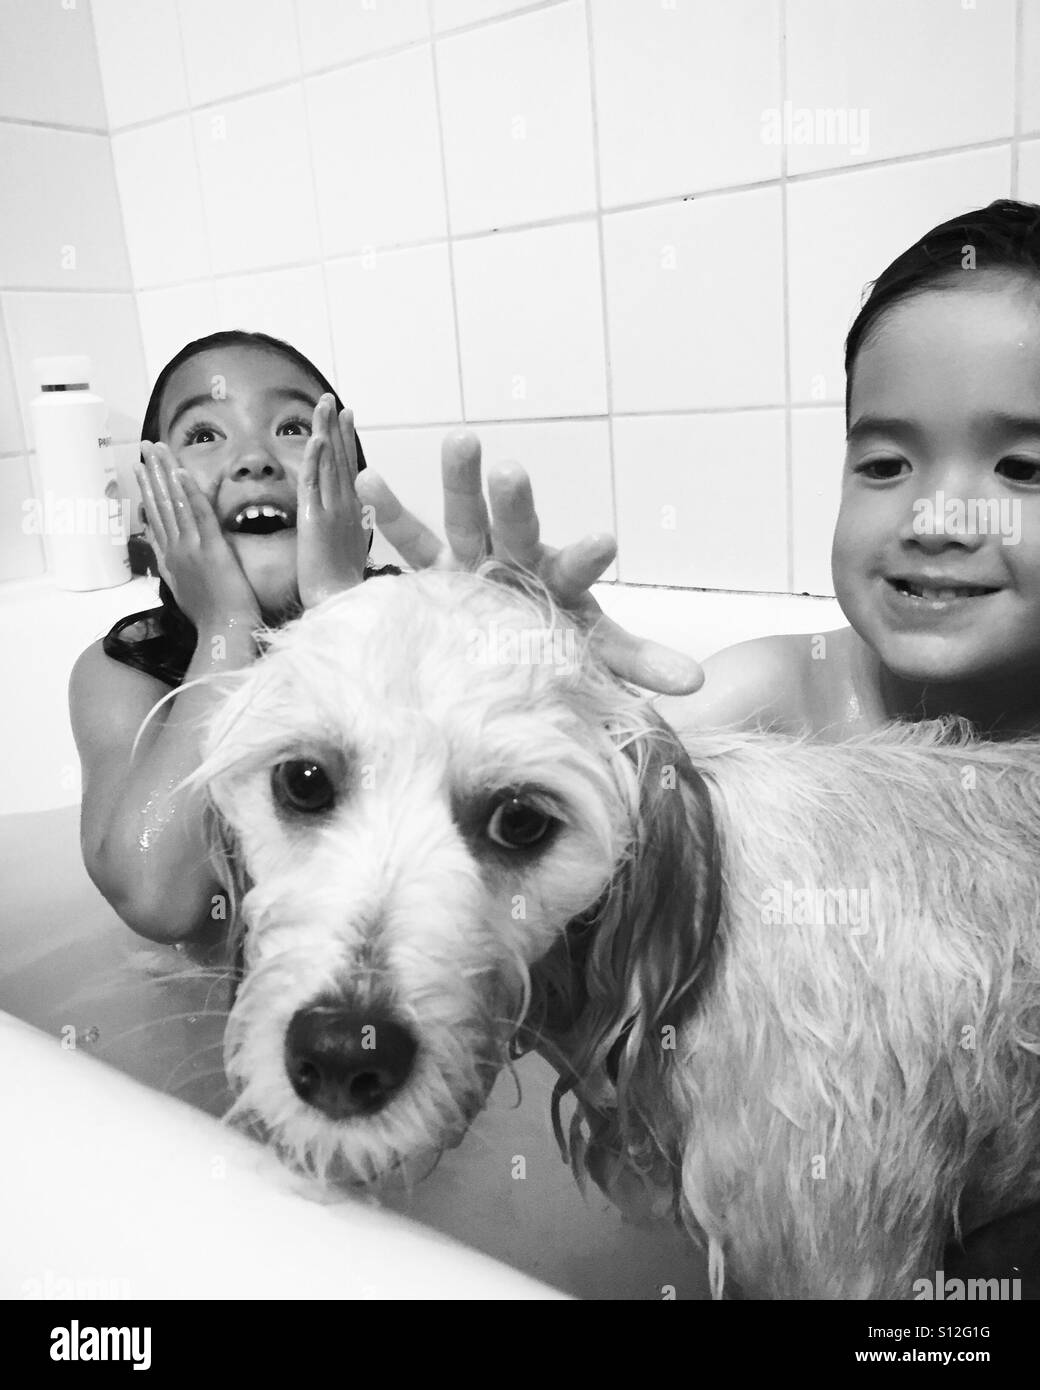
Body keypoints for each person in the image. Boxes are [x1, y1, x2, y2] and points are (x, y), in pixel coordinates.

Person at [69, 329, 700, 948]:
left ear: (359, 512)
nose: (255, 458)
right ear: (151, 521)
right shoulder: (126, 672)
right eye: (204, 434)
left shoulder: (416, 627)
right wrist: (225, 626)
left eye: (293, 428)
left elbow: (601, 836)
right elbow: (160, 899)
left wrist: (542, 639)